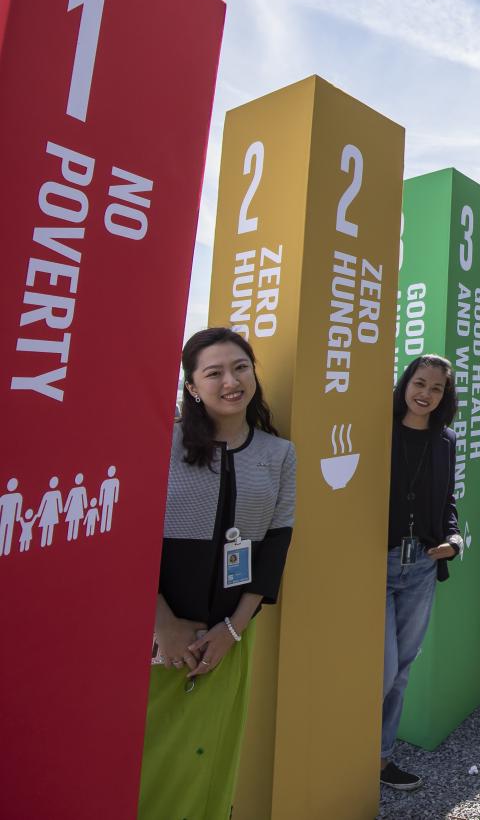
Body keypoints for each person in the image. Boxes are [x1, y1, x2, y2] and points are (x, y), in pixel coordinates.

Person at [138, 328, 296, 820]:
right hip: (156, 638)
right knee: (149, 757)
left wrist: (233, 630)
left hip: (229, 638)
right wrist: (162, 623)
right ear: (191, 386)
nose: (231, 381)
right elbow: (132, 544)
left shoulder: (279, 455)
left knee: (211, 756)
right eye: (214, 372)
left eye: (241, 367)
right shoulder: (159, 446)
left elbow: (275, 547)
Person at [380, 355, 465, 793]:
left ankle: (379, 758)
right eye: (420, 382)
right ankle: (346, 749)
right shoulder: (378, 429)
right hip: (375, 562)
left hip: (423, 565)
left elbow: (448, 501)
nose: (425, 394)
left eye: (436, 388)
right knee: (382, 667)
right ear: (405, 383)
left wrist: (455, 540)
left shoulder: (446, 440)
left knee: (403, 668)